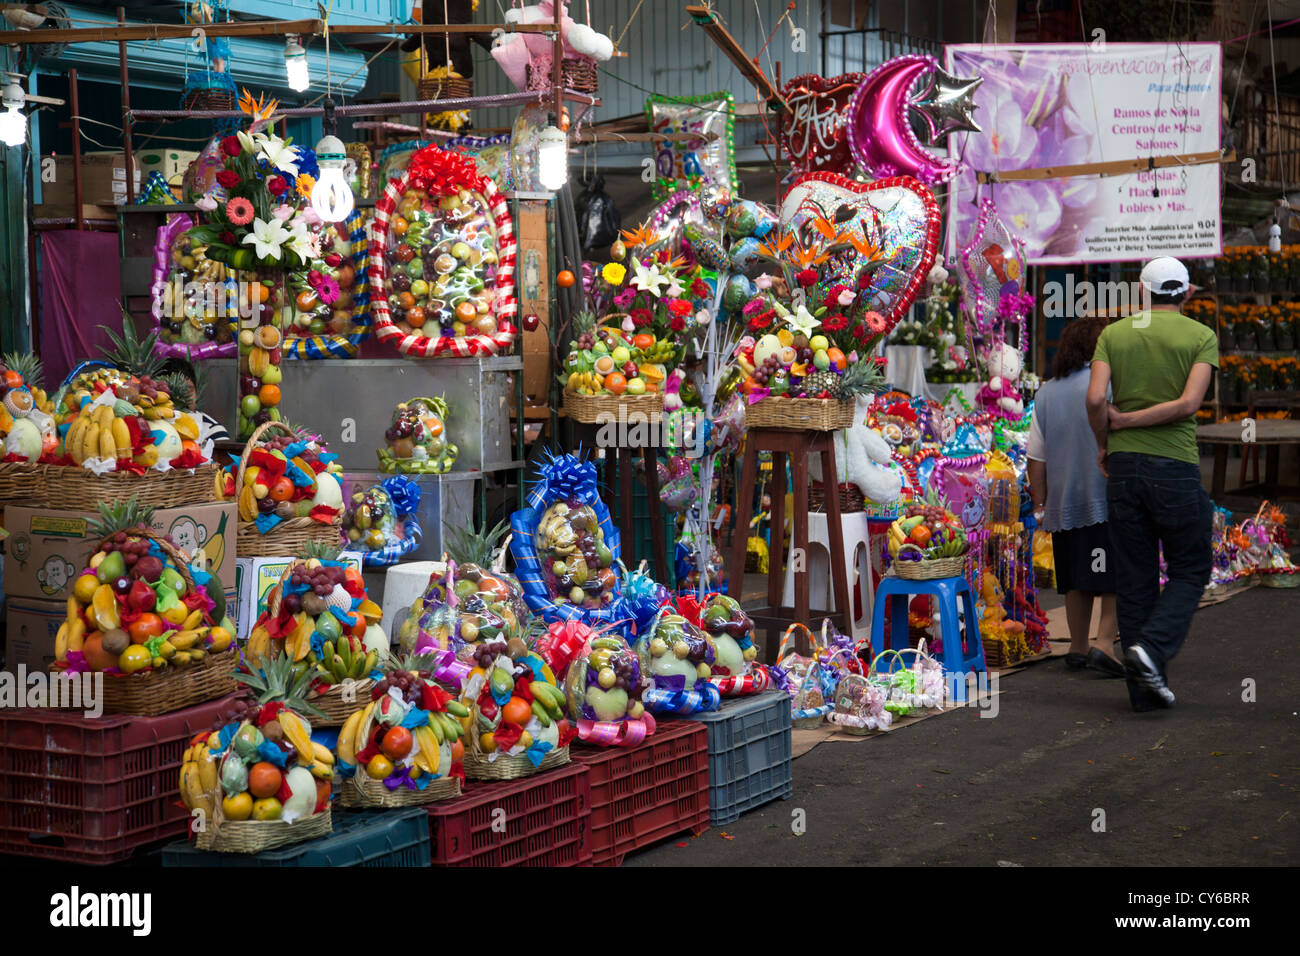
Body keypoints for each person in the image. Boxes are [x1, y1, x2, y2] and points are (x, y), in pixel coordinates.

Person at [1086, 257, 1217, 711]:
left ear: (1141, 292)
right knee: (1191, 568)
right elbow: (1187, 405)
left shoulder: (1114, 334)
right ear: (1185, 293)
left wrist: (1108, 439)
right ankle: (1153, 650)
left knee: (1135, 576)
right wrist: (1129, 425)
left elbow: (1094, 398)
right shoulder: (1201, 336)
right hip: (1175, 467)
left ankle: (1143, 693)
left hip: (1123, 468)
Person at [1026, 317, 1123, 678]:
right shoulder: (1110, 386)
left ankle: (1078, 648)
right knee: (1113, 575)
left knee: (1074, 578)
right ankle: (1104, 643)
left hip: (1063, 505)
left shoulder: (1046, 393)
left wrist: (1040, 503)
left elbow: (1036, 457)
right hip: (1105, 498)